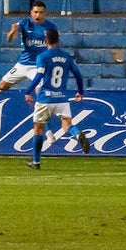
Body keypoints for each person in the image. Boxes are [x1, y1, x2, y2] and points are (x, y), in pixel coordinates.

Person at [23, 28, 90, 169]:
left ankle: (36, 162)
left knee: (38, 129)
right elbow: (78, 75)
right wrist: (80, 92)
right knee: (67, 125)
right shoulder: (67, 57)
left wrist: (28, 91)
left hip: (45, 98)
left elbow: (39, 76)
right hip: (62, 98)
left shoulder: (43, 57)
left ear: (45, 41)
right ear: (58, 40)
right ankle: (78, 135)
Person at [0, 0, 57, 95]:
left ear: (44, 13)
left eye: (41, 12)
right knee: (2, 86)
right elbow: (10, 39)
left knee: (40, 91)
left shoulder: (51, 27)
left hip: (39, 66)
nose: (38, 15)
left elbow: (54, 47)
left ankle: (41, 108)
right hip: (23, 64)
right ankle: (11, 83)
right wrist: (12, 31)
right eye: (35, 12)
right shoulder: (25, 22)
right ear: (31, 13)